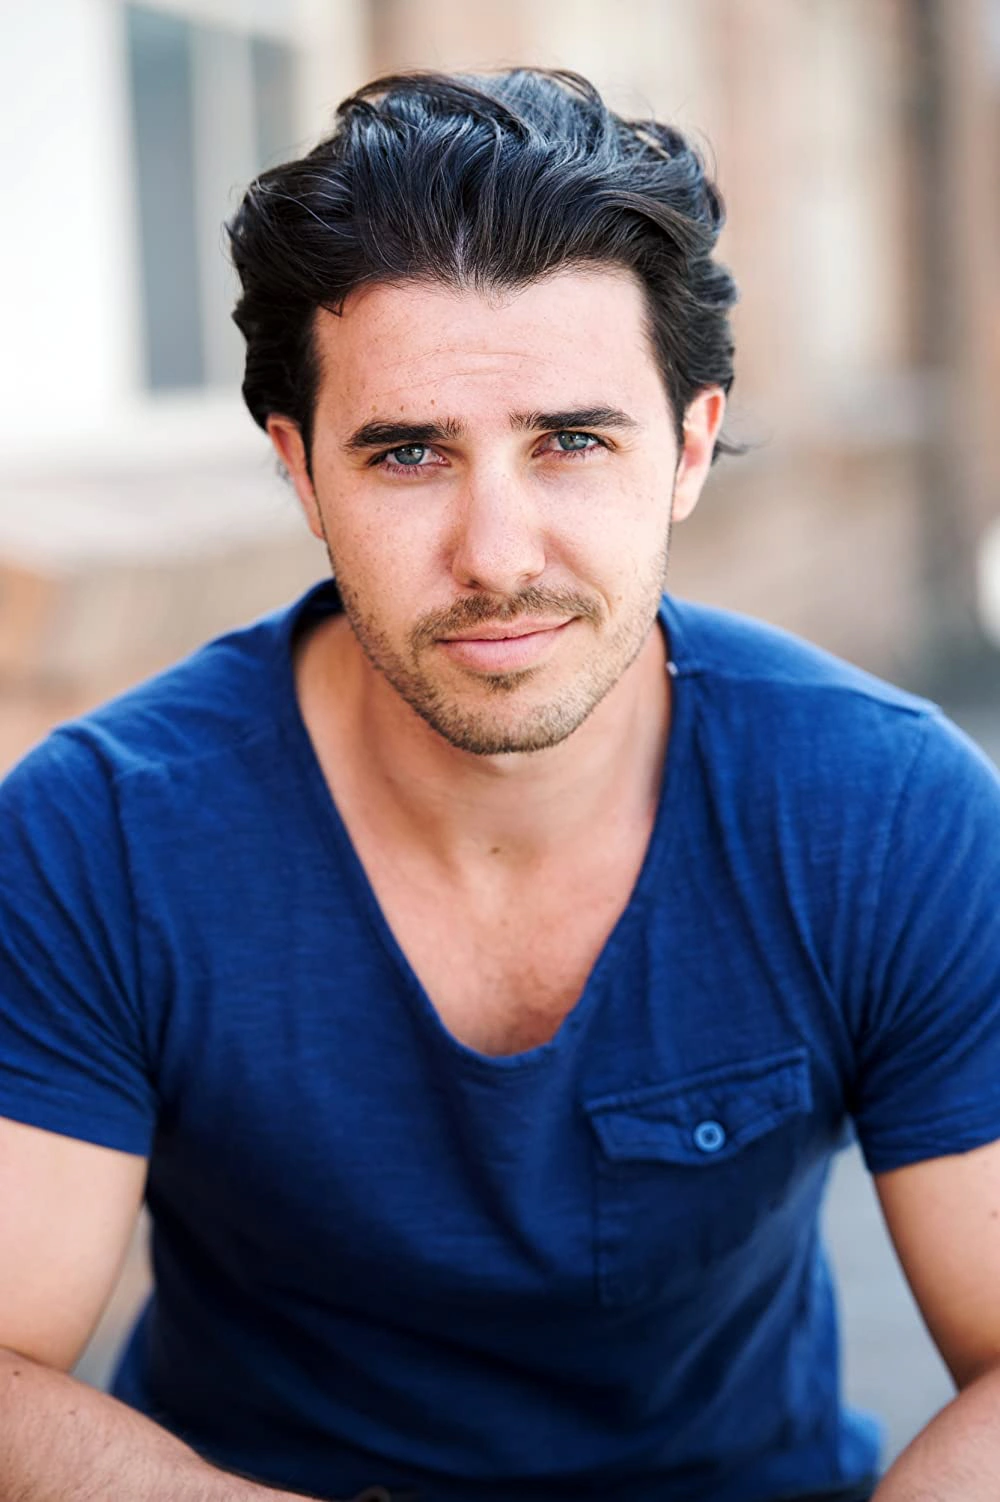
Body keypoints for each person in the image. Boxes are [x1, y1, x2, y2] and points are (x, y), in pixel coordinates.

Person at [1, 66, 998, 1502]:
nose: (498, 553)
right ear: (301, 471)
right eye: (409, 453)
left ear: (689, 447)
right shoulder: (98, 832)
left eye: (572, 442)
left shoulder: (887, 811)